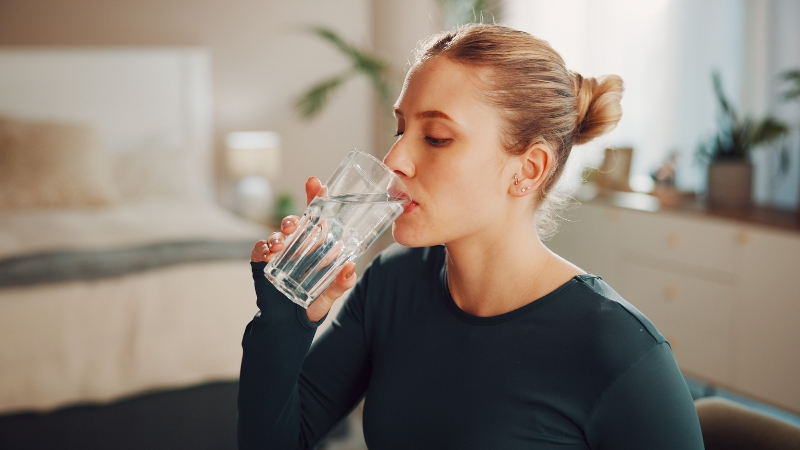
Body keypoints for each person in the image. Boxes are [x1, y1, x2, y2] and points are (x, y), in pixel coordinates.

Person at [239, 24, 704, 449]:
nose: (394, 158)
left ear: (528, 169)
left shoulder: (621, 351)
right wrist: (283, 319)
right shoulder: (390, 285)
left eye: (437, 137)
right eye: (401, 128)